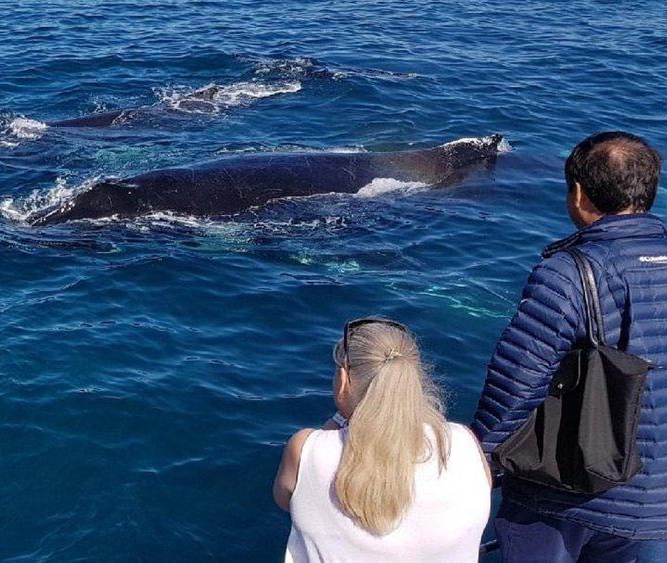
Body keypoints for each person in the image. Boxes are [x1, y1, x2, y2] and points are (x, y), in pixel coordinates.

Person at [471, 131, 667, 562]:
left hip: (569, 496)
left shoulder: (568, 273)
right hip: (658, 509)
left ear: (578, 194)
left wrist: (479, 454)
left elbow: (517, 380)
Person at [274, 318, 491, 562]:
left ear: (344, 380)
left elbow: (285, 500)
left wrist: (342, 414)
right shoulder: (465, 445)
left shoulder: (305, 450)